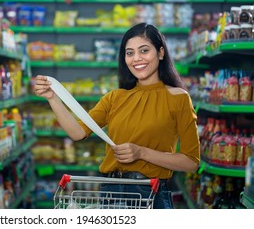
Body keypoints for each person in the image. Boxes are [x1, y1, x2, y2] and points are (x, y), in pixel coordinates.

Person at [33, 22, 200, 209]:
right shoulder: (115, 98)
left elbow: (191, 162)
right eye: (129, 53)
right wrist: (52, 98)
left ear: (161, 53)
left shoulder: (179, 98)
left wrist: (141, 152)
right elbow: (77, 132)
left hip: (149, 192)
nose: (136, 58)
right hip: (110, 192)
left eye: (144, 51)